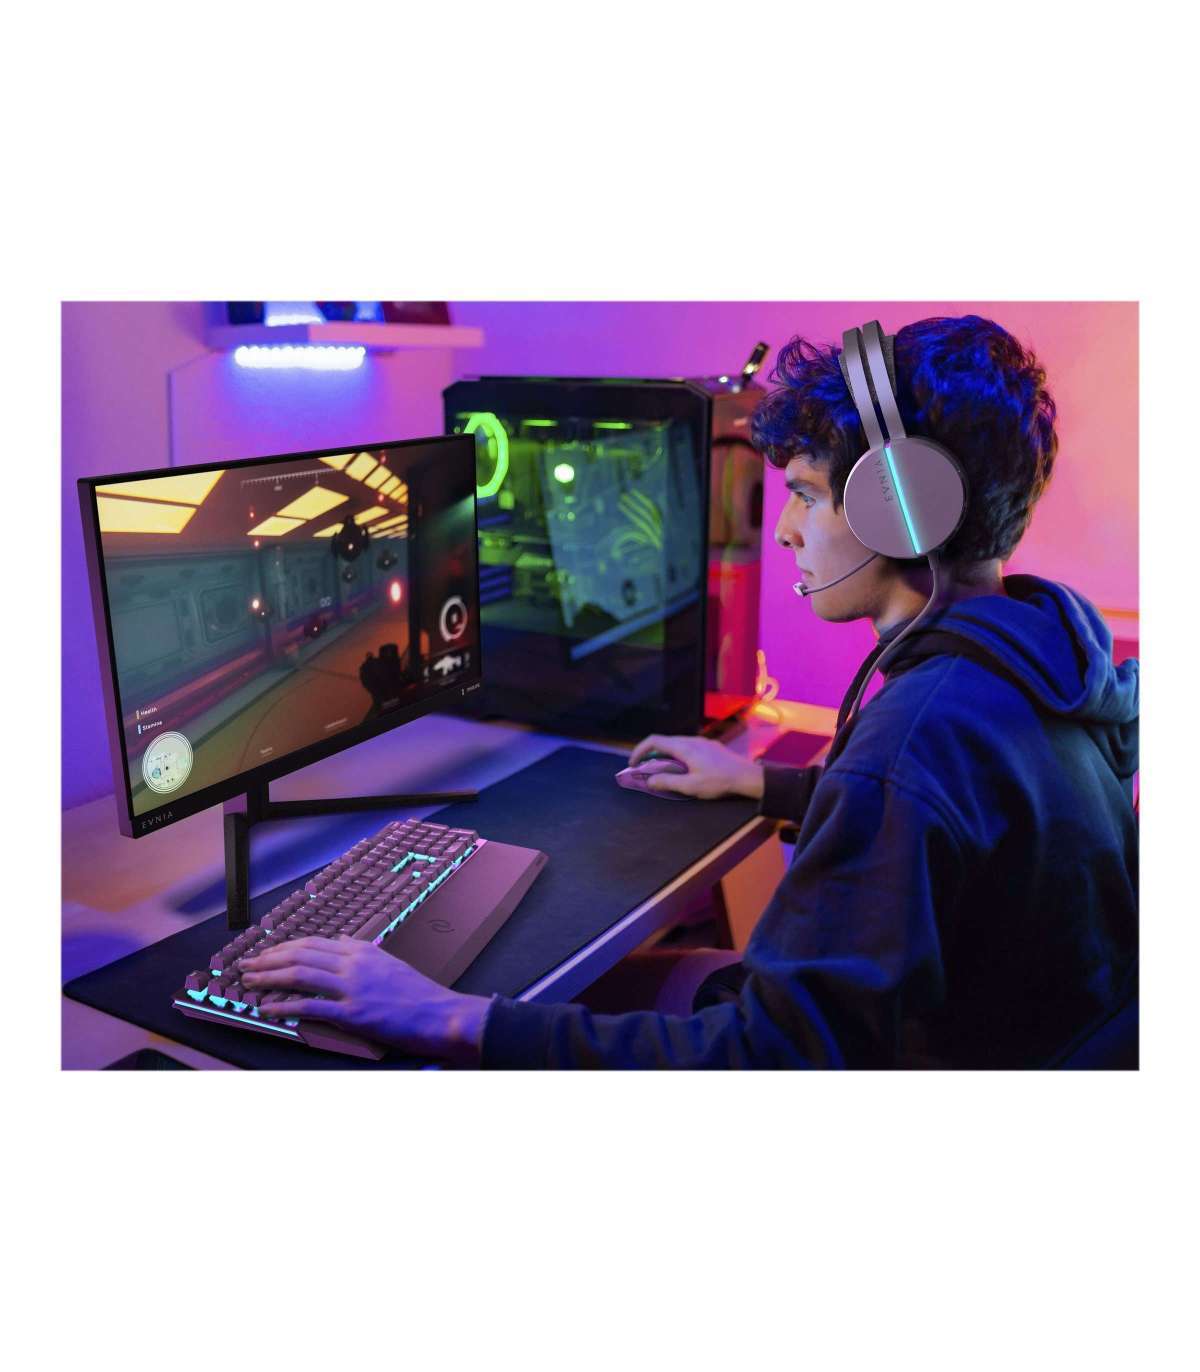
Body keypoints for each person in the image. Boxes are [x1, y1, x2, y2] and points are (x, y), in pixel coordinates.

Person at [241, 315, 1139, 1068]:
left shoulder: (913, 739)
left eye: (805, 494)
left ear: (899, 512)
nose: (783, 530)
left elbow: (764, 1060)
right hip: (990, 1041)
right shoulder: (1037, 658)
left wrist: (442, 1016)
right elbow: (958, 825)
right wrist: (764, 783)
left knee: (535, 1003)